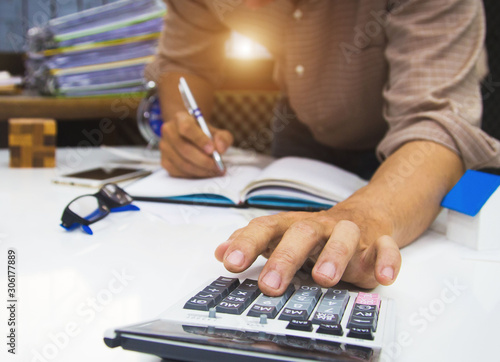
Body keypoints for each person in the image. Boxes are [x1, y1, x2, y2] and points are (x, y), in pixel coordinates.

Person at [145, 0, 500, 296]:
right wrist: (184, 127)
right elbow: (184, 62)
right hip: (301, 124)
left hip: (404, 149)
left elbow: (437, 126)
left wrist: (361, 218)